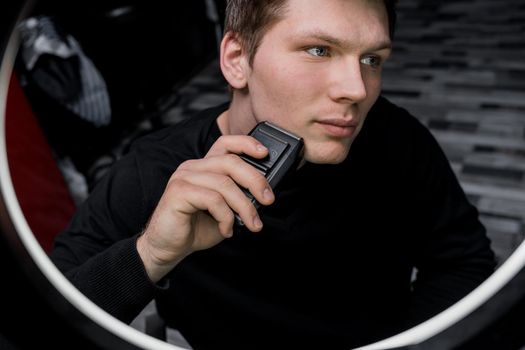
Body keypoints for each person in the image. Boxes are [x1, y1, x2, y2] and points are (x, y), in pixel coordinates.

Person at [50, 0, 497, 348]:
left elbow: (463, 264)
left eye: (372, 59)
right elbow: (48, 321)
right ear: (237, 59)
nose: (357, 90)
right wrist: (149, 255)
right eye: (319, 50)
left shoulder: (397, 139)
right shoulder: (155, 171)